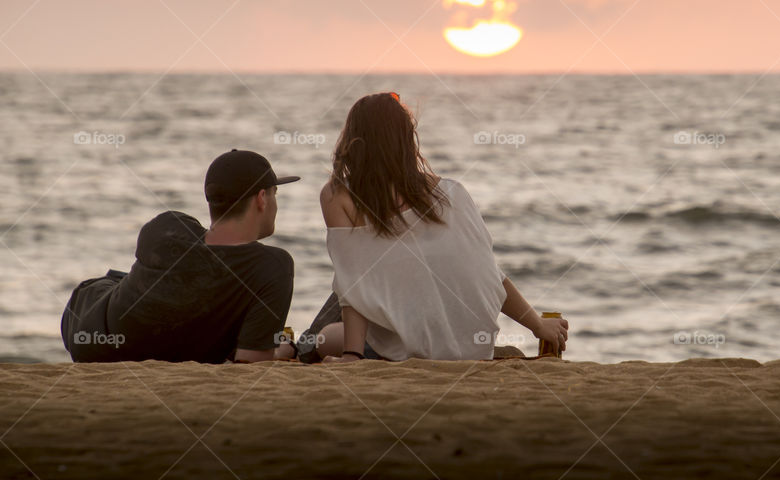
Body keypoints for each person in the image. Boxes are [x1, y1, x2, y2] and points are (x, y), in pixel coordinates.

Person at [294, 92, 569, 364]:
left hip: (410, 350)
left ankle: (293, 348)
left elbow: (353, 285)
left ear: (353, 140)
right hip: (474, 348)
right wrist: (537, 326)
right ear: (407, 139)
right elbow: (489, 274)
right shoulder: (453, 192)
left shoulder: (338, 196)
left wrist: (352, 356)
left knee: (326, 336)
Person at [61, 149, 300, 364]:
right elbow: (250, 363)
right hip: (92, 304)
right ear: (261, 199)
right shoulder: (273, 266)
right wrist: (283, 349)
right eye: (275, 193)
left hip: (88, 338)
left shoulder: (166, 227)